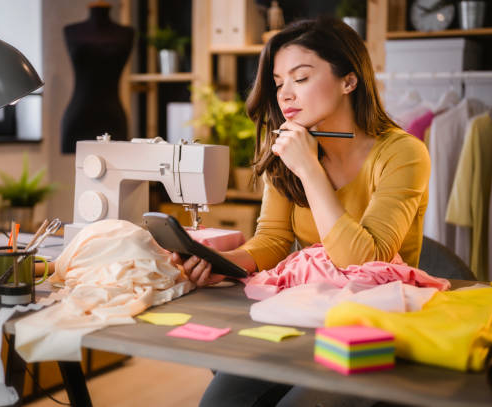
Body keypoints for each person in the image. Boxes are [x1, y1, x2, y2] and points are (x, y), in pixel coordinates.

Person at [171, 16, 430, 406]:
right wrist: (220, 264)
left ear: (349, 80)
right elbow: (273, 241)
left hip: (370, 326)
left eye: (301, 78)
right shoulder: (290, 147)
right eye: (278, 83)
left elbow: (364, 260)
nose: (285, 95)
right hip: (304, 310)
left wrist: (309, 169)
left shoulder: (402, 153)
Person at [60, 1, 135, 153]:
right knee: (80, 169)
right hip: (79, 113)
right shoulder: (71, 31)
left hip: (112, 114)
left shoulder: (127, 33)